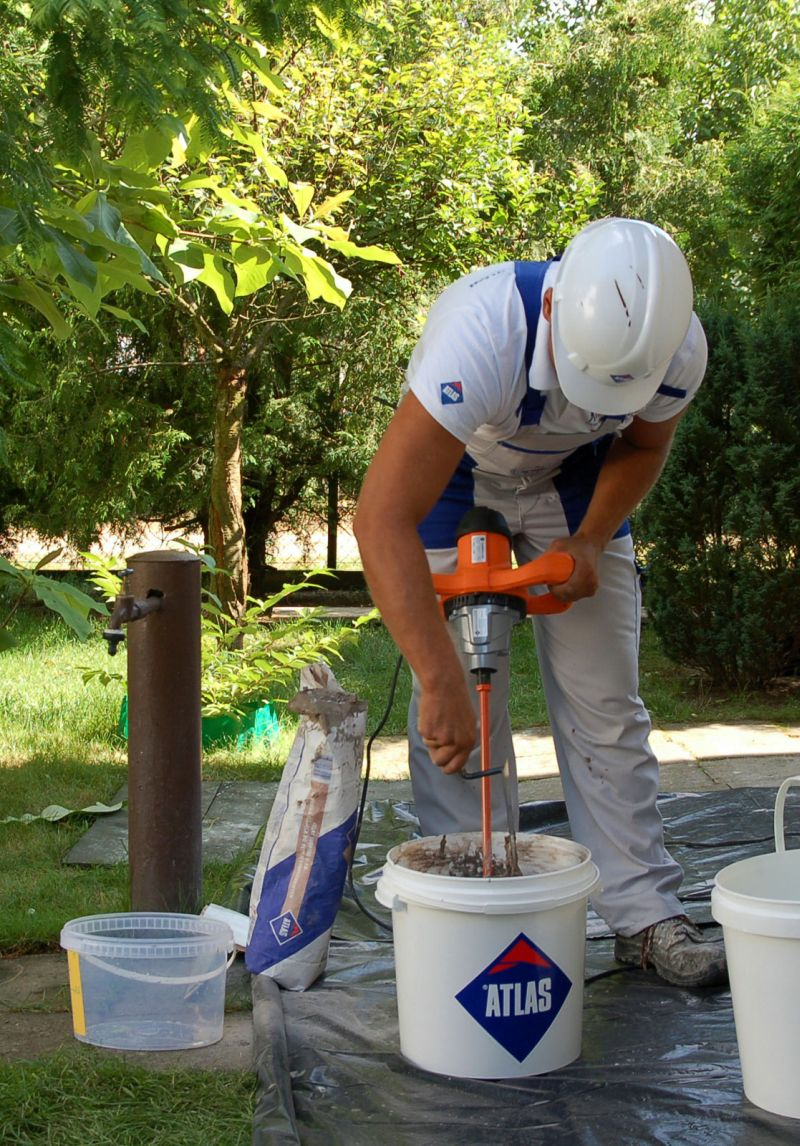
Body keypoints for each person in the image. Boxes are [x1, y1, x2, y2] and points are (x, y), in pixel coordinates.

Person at [353, 217, 727, 989]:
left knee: (605, 701)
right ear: (556, 307)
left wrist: (591, 542)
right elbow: (380, 516)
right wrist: (440, 677)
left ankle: (644, 913)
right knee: (460, 713)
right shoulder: (482, 328)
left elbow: (644, 447)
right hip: (457, 474)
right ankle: (472, 897)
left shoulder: (677, 346)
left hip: (576, 482)